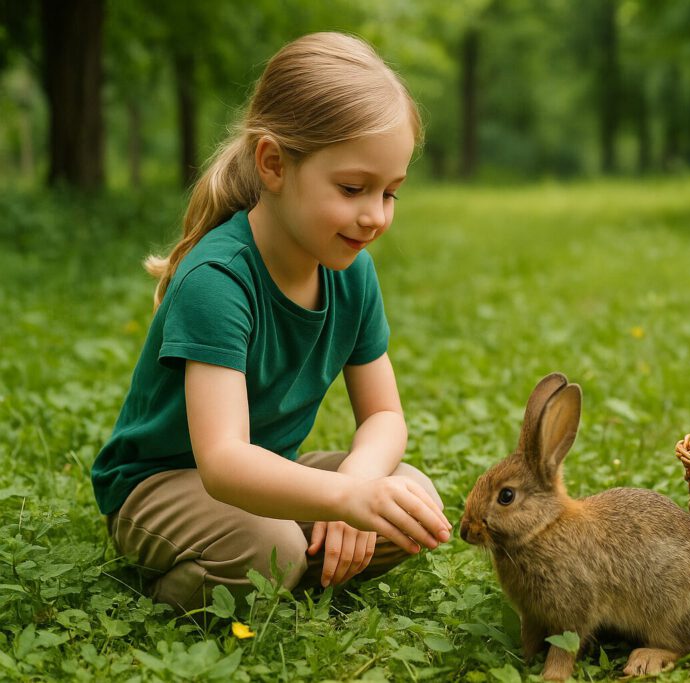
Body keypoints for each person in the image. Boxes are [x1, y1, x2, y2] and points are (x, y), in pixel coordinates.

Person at [91, 32, 451, 614]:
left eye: (391, 194)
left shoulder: (352, 272)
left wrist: (358, 484)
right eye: (354, 188)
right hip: (161, 487)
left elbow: (384, 414)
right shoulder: (218, 278)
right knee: (274, 544)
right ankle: (179, 589)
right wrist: (343, 498)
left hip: (270, 478)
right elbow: (225, 462)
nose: (374, 216)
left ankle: (275, 576)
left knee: (412, 497)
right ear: (274, 164)